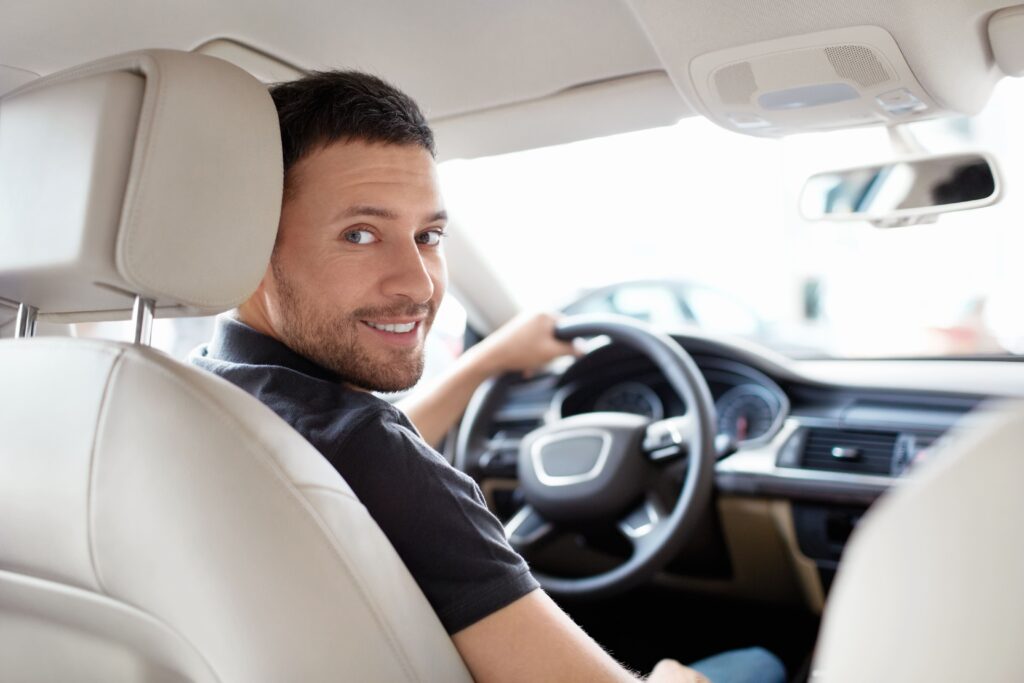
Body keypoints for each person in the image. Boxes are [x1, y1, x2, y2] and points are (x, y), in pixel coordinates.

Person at [191, 70, 785, 683]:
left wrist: (485, 361)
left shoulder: (196, 395)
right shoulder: (375, 457)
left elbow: (355, 465)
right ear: (250, 242)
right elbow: (377, 458)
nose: (419, 284)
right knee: (760, 661)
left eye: (428, 236)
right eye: (360, 234)